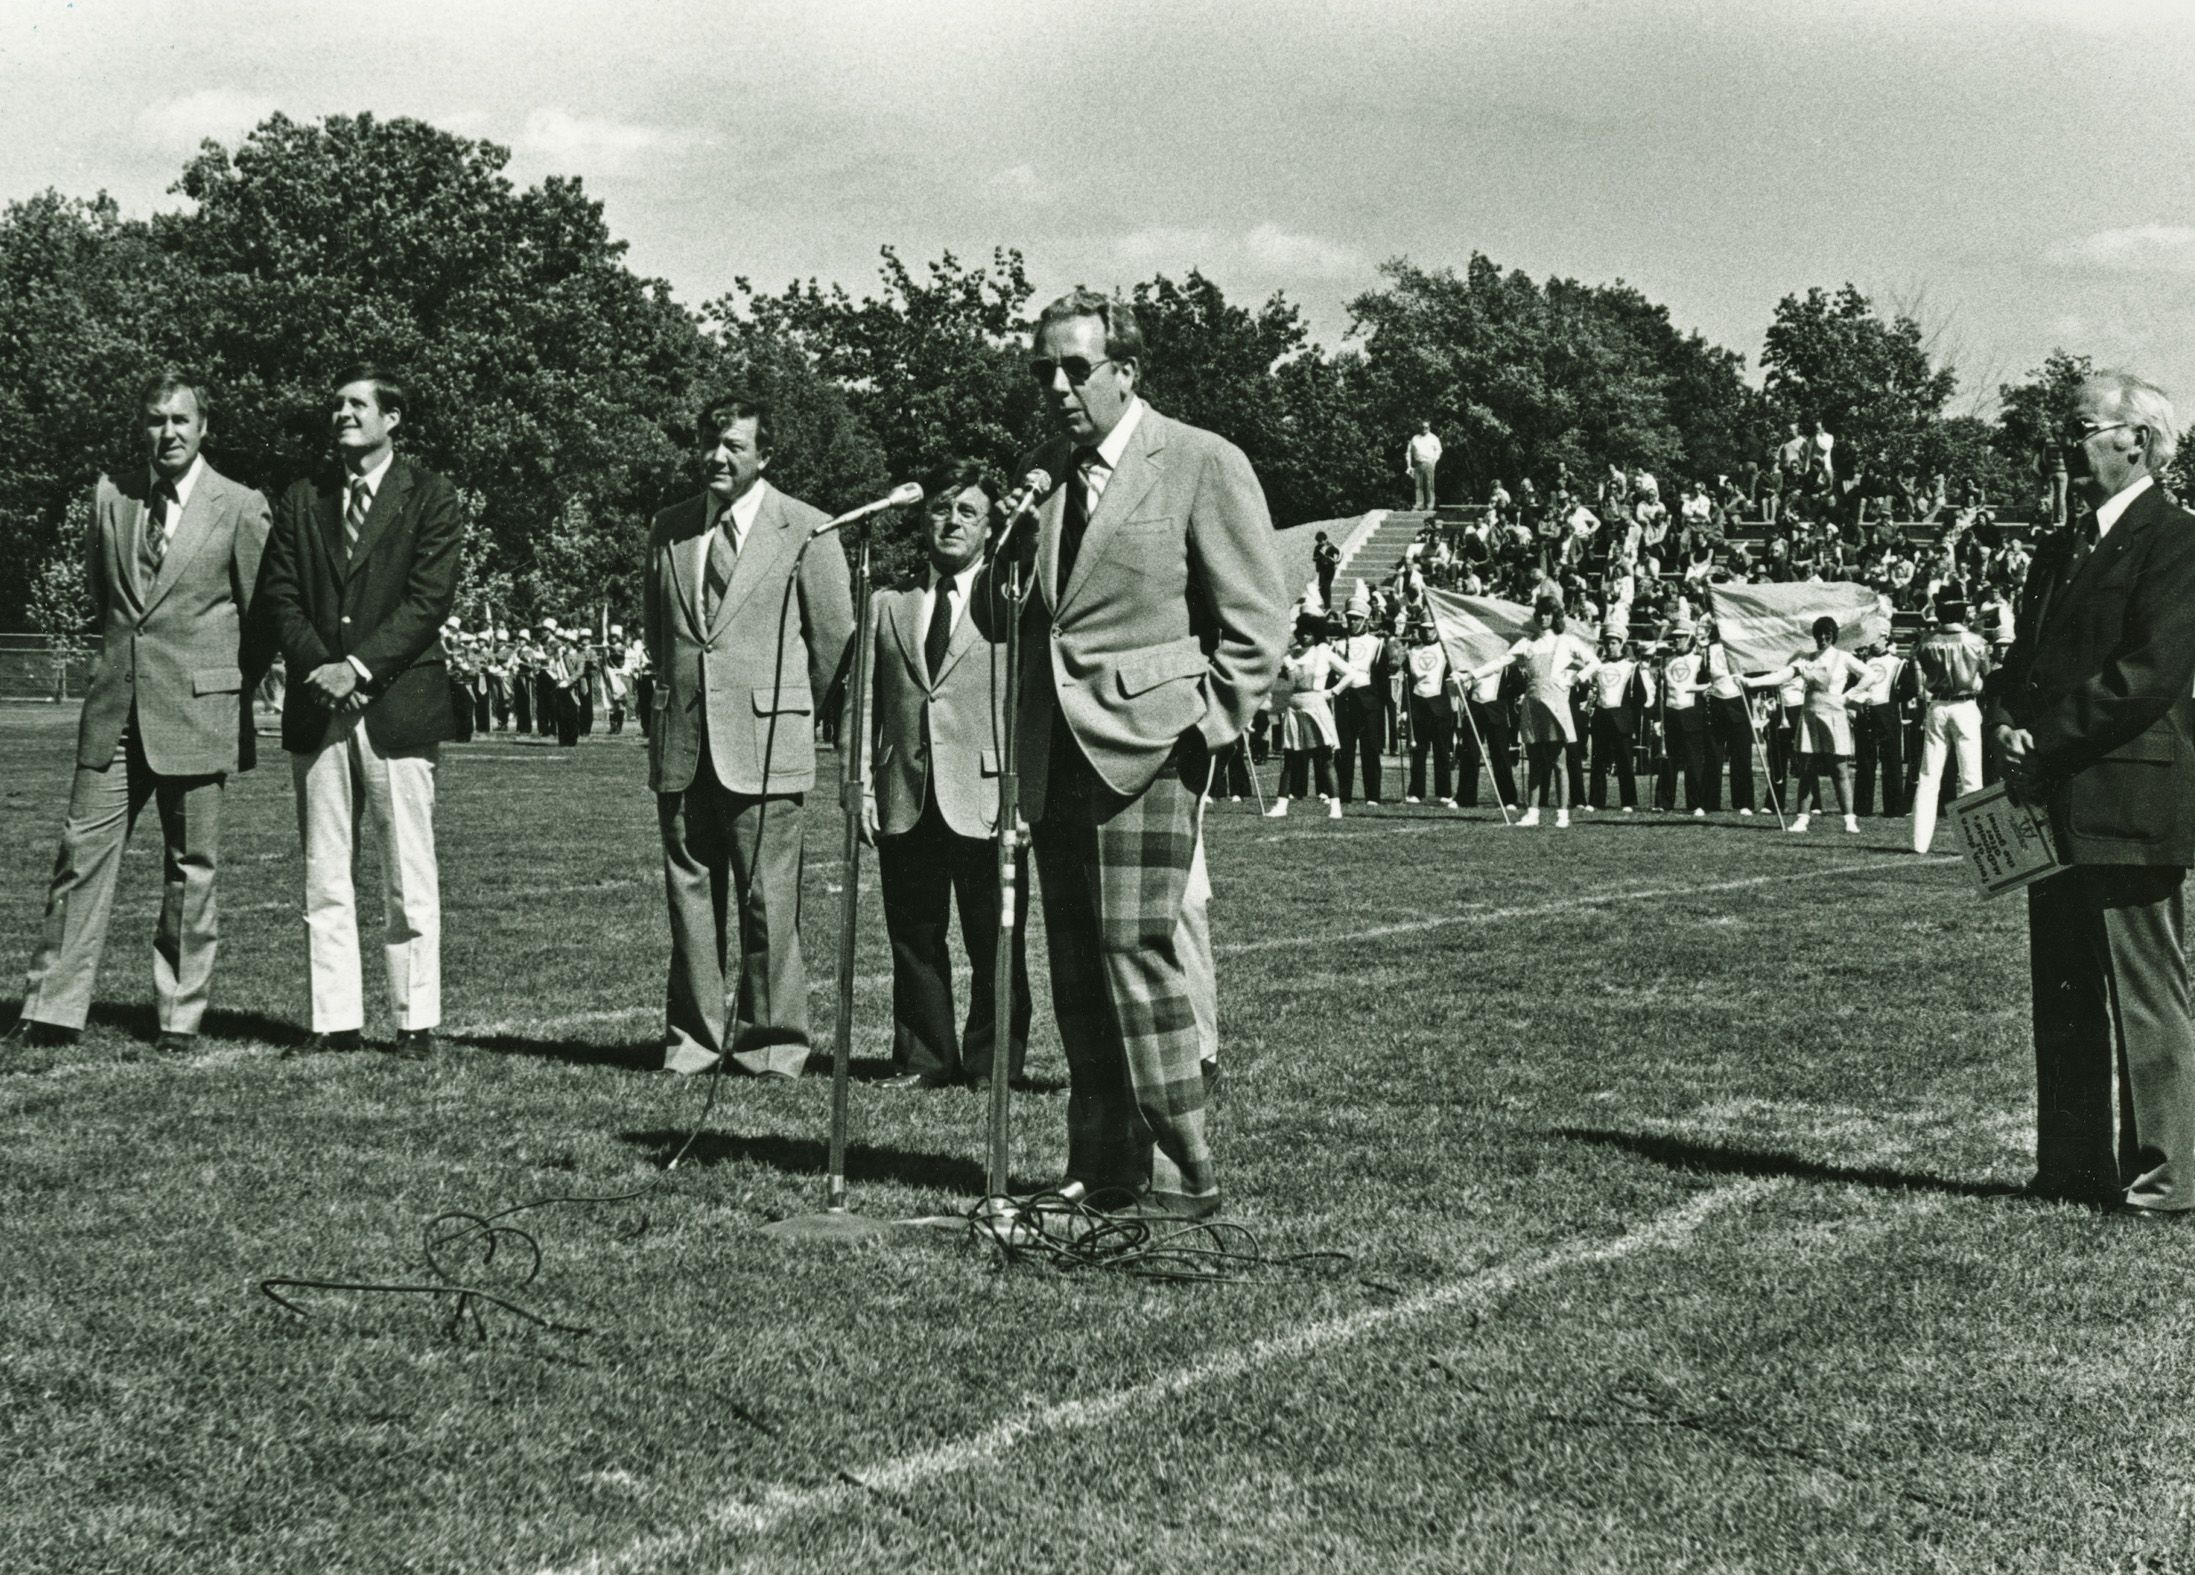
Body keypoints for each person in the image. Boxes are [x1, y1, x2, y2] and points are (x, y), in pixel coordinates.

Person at [996, 289, 1285, 1219]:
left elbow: (1255, 619)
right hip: (1057, 753)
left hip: (1152, 748)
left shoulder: (1200, 460)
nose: (1056, 386)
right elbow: (1009, 622)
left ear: (1125, 371)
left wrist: (1204, 725)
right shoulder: (1041, 475)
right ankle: (1100, 1165)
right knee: (1076, 962)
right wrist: (1005, 549)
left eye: (1075, 368)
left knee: (1136, 949)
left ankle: (1183, 1168)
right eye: (1044, 368)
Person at [8, 371, 271, 1055]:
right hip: (115, 711)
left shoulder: (240, 505)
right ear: (142, 427)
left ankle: (179, 1016)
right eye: (156, 420)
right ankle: (51, 1008)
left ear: (204, 426)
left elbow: (263, 615)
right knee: (79, 855)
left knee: (192, 868)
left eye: (181, 420)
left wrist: (221, 682)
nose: (169, 433)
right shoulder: (112, 498)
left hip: (198, 712)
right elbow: (110, 600)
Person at [1993, 372, 2195, 1214]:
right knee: (2066, 990)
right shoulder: (2057, 545)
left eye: (2081, 428)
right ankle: (2070, 1167)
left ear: (2135, 441)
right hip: (2053, 796)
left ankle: (2165, 1175)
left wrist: (2041, 735)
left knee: (2144, 994)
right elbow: (2027, 664)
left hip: (2126, 798)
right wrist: (2003, 713)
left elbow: (2148, 673)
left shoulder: (2176, 539)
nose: (2064, 445)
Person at [644, 391, 853, 1078]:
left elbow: (832, 643)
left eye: (733, 444)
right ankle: (693, 1042)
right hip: (683, 743)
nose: (716, 455)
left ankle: (772, 1044)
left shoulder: (809, 530)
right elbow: (660, 637)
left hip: (767, 745)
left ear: (766, 454)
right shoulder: (669, 528)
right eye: (709, 442)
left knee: (769, 900)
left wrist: (784, 708)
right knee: (690, 896)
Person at [257, 364, 461, 1057]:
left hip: (396, 707)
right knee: (324, 868)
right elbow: (279, 595)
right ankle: (333, 1018)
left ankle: (414, 1020)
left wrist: (360, 667)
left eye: (356, 404)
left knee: (408, 870)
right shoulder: (301, 499)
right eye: (336, 404)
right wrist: (321, 666)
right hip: (319, 707)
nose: (341, 414)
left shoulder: (430, 496)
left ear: (392, 418)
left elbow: (428, 601)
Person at [863, 463, 1032, 1089]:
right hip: (905, 793)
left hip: (989, 797)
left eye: (968, 511)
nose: (952, 521)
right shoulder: (888, 603)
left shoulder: (1010, 600)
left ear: (991, 526)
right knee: (913, 936)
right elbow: (865, 707)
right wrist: (860, 785)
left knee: (996, 939)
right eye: (941, 508)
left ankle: (994, 1064)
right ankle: (924, 1059)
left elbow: (1028, 701)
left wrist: (1025, 795)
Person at [1469, 591, 1597, 828]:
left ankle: (1562, 814)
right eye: (1540, 614)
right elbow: (1501, 662)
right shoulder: (1527, 643)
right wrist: (1471, 674)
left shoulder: (1566, 641)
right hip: (1532, 703)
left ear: (1556, 616)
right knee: (1536, 760)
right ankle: (1533, 812)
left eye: (1548, 614)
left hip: (1556, 703)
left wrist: (1572, 680)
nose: (1543, 618)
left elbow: (1594, 662)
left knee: (1559, 761)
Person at [1745, 615, 1868, 834]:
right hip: (1810, 715)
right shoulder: (1805, 659)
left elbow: (1870, 675)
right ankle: (1802, 819)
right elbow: (1781, 676)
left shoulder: (1843, 657)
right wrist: (1750, 682)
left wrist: (1849, 697)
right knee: (1807, 769)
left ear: (1833, 636)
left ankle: (1849, 819)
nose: (1822, 638)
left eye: (1826, 634)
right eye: (1818, 634)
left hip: (1834, 715)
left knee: (1839, 769)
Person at [1909, 597, 1989, 854]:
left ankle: (1919, 843)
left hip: (1937, 705)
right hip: (1965, 705)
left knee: (1928, 776)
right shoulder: (1976, 641)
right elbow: (1985, 672)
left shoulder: (1927, 642)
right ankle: (1974, 842)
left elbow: (1922, 671)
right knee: (1970, 776)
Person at [1265, 609, 1344, 819]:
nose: (1304, 636)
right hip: (1293, 707)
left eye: (1308, 633)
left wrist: (1331, 692)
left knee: (1326, 758)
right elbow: (1281, 681)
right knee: (1290, 759)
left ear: (1316, 634)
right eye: (1301, 632)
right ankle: (1281, 806)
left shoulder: (1323, 652)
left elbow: (1350, 674)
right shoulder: (1290, 656)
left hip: (1315, 706)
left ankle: (1335, 807)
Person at [1331, 582, 1388, 806]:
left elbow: (1382, 679)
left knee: (1370, 749)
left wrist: (1383, 705)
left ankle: (1372, 795)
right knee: (1344, 750)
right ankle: (1343, 794)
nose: (1352, 622)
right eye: (1350, 618)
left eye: (1356, 618)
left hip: (1369, 701)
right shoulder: (1336, 645)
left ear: (1365, 619)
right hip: (1345, 700)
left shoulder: (1376, 644)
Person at [1702, 618, 1758, 815]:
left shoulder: (1740, 646)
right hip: (1717, 702)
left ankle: (1744, 803)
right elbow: (1703, 676)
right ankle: (1709, 802)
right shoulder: (1708, 649)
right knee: (1713, 754)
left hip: (1738, 702)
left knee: (1741, 756)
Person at [1850, 631, 1908, 819]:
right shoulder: (1860, 662)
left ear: (1886, 640)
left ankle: (1894, 809)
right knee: (1865, 761)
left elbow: (1909, 689)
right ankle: (1862, 808)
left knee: (1891, 761)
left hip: (1888, 713)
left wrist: (1895, 699)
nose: (1874, 642)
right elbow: (1851, 687)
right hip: (1864, 712)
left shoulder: (1898, 663)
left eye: (1878, 638)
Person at [1586, 632, 1645, 812]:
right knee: (1598, 761)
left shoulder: (1631, 666)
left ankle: (1628, 801)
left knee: (1625, 762)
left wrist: (1631, 719)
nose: (1610, 646)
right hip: (1601, 717)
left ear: (1621, 644)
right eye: (1607, 643)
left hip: (1622, 719)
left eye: (1613, 643)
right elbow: (1593, 690)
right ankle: (1596, 800)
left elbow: (1640, 695)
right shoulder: (1598, 666)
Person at [1401, 616, 1456, 806]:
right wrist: (1404, 709)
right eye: (1424, 629)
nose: (1427, 632)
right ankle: (1416, 791)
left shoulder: (1446, 650)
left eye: (1431, 629)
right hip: (1418, 706)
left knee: (1442, 751)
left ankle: (1444, 792)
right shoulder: (1412, 652)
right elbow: (1407, 683)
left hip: (1440, 707)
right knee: (1418, 752)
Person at [1406, 419, 1442, 511]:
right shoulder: (1415, 438)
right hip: (1417, 464)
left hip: (1429, 463)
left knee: (1429, 485)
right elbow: (1409, 452)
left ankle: (1430, 505)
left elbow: (1438, 450)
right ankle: (1419, 504)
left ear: (1429, 428)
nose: (1424, 429)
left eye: (1426, 427)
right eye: (1422, 427)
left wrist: (1434, 461)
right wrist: (1409, 466)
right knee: (1418, 485)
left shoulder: (1433, 438)